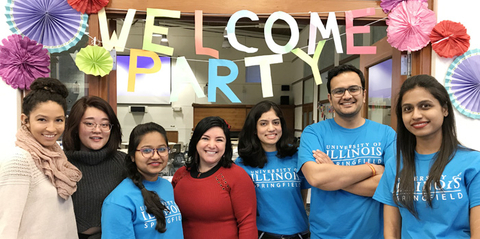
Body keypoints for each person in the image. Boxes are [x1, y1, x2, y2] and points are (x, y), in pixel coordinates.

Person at [373, 75, 480, 238]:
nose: (416, 115)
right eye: (408, 109)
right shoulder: (395, 165)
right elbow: (392, 231)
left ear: (444, 109)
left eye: (425, 106)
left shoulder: (473, 163)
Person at [297, 64, 396, 239]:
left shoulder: (386, 134)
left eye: (353, 89)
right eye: (339, 91)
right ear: (330, 97)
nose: (347, 96)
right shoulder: (313, 132)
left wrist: (333, 175)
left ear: (364, 94)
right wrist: (372, 169)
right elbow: (316, 178)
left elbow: (391, 186)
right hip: (325, 236)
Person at [0, 78, 82, 238]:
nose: (51, 128)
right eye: (42, 120)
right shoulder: (19, 160)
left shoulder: (57, 158)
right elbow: (6, 226)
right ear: (25, 120)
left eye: (58, 120)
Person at [172, 116, 257, 239]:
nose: (212, 145)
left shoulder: (238, 176)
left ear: (226, 145)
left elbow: (247, 224)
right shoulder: (180, 175)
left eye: (219, 140)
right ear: (196, 141)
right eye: (205, 138)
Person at [236, 100, 310, 239]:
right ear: (254, 129)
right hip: (264, 234)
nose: (271, 128)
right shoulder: (242, 163)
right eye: (263, 123)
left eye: (276, 122)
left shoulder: (297, 156)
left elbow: (302, 193)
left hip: (300, 233)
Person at [101, 122, 183, 238]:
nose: (155, 156)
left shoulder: (166, 186)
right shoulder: (118, 201)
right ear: (132, 156)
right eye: (147, 150)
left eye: (162, 149)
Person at [63, 96, 126, 239]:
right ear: (75, 126)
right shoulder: (60, 163)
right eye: (89, 123)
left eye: (105, 124)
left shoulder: (123, 162)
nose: (97, 130)